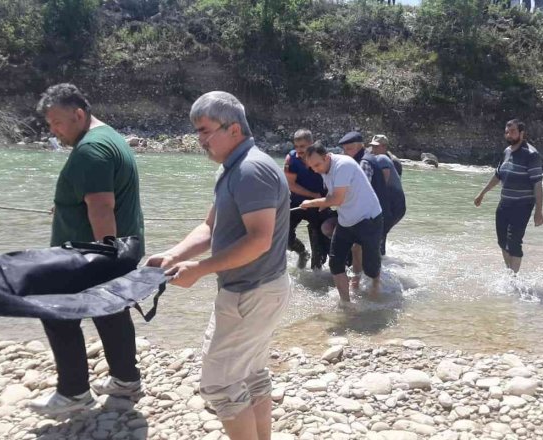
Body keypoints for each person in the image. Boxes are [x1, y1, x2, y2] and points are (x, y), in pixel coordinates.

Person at [145, 91, 291, 440]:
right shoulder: (234, 167)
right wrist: (175, 255)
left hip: (250, 294)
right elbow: (211, 227)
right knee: (251, 373)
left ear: (234, 129)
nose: (200, 140)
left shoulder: (250, 170)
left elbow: (259, 240)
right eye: (197, 131)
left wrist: (200, 270)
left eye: (206, 131)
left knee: (219, 386)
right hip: (259, 291)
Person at [28, 83, 144, 416]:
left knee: (55, 311)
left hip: (90, 254)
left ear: (79, 114)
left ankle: (74, 392)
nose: (54, 130)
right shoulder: (111, 137)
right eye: (50, 124)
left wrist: (102, 262)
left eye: (57, 122)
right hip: (120, 247)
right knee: (111, 313)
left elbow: (102, 208)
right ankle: (126, 379)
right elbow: (97, 199)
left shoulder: (90, 151)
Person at [302, 144, 383, 303]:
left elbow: (336, 199)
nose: (315, 170)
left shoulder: (343, 165)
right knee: (335, 263)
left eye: (317, 165)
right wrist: (324, 203)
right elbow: (335, 196)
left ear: (327, 157)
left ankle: (375, 285)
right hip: (346, 220)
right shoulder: (325, 169)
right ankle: (346, 304)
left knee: (371, 268)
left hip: (369, 218)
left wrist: (312, 203)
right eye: (311, 167)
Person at [473, 120, 543, 274]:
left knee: (514, 243)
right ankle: (509, 273)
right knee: (502, 241)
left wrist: (539, 211)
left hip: (522, 205)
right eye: (507, 131)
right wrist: (482, 193)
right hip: (505, 203)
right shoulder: (506, 151)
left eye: (512, 131)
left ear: (521, 133)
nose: (509, 134)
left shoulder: (531, 154)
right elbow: (498, 176)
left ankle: (513, 277)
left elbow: (538, 185)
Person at [283, 129, 330, 270]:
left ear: (311, 143)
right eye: (296, 146)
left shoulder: (323, 156)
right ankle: (302, 252)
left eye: (302, 146)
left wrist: (324, 199)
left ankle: (317, 278)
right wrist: (311, 194)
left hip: (318, 204)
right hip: (297, 203)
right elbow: (290, 184)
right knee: (285, 238)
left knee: (319, 247)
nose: (299, 150)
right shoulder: (291, 159)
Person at [369, 136, 406, 256]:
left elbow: (391, 184)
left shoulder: (391, 161)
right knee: (380, 232)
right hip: (386, 203)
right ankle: (381, 260)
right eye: (372, 146)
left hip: (392, 203)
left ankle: (380, 263)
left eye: (376, 147)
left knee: (380, 232)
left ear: (384, 147)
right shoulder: (376, 157)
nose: (372, 149)